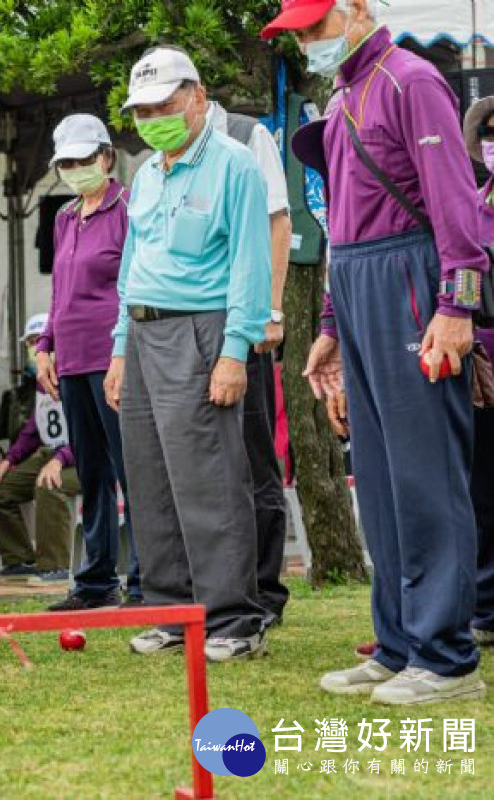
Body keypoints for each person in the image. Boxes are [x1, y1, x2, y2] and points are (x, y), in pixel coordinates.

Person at [268, 0, 487, 703]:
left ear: (358, 8)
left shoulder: (411, 80)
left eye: (314, 26)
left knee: (426, 474)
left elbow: (455, 203)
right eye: (295, 33)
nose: (305, 43)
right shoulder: (343, 96)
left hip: (412, 279)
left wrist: (457, 305)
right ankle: (398, 644)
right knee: (386, 482)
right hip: (359, 281)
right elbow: (341, 220)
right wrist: (331, 320)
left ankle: (448, 657)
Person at [105, 47, 271, 662]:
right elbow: (133, 264)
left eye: (164, 105)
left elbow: (251, 264)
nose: (152, 118)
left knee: (210, 478)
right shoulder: (146, 172)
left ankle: (234, 617)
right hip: (144, 334)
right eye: (142, 110)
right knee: (149, 478)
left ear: (197, 97)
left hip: (203, 329)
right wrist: (121, 346)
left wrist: (235, 350)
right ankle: (172, 610)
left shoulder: (233, 165)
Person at [33, 113, 140, 610]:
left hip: (115, 357)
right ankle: (96, 581)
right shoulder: (64, 216)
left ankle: (143, 578)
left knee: (132, 469)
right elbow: (59, 291)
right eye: (66, 162)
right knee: (92, 473)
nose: (75, 168)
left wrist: (123, 353)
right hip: (71, 358)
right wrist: (44, 347)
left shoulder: (130, 208)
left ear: (106, 157)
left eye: (83, 159)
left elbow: (135, 286)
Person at [206, 97, 295, 627]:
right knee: (210, 461)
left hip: (247, 322)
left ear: (196, 95)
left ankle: (265, 590)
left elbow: (276, 223)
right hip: (192, 325)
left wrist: (271, 310)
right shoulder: (166, 153)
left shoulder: (246, 135)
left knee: (256, 458)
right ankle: (220, 585)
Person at [0, 313, 81, 584]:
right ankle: (19, 559)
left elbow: (90, 430)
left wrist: (61, 459)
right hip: (51, 453)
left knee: (49, 484)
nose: (33, 348)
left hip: (82, 457)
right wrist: (10, 459)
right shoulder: (42, 381)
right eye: (29, 342)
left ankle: (54, 565)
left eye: (36, 341)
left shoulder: (73, 373)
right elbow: (35, 428)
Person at [462, 96, 494, 649]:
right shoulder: (471, 205)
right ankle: (485, 609)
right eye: (488, 133)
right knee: (482, 492)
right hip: (483, 366)